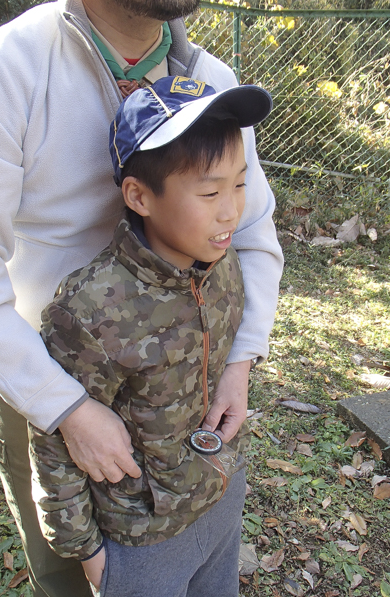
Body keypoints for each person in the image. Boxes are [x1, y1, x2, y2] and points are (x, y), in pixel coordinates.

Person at [0, 0, 283, 595]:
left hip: (184, 380)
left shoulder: (211, 83)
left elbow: (254, 233)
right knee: (74, 579)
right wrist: (64, 406)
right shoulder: (2, 73)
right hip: (39, 379)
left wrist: (239, 359)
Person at [29, 75, 274, 597]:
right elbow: (52, 441)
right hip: (143, 540)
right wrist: (88, 552)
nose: (231, 209)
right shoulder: (89, 309)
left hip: (219, 492)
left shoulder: (220, 259)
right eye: (210, 191)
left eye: (239, 183)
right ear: (139, 196)